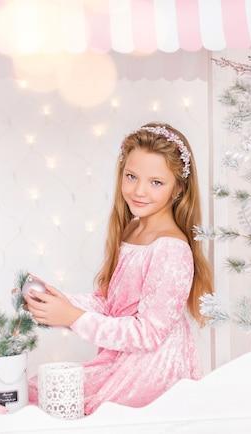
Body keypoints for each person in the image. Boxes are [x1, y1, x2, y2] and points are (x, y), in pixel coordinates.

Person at [23, 122, 214, 415]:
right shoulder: (131, 231)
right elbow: (111, 304)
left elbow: (148, 334)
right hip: (122, 360)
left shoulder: (171, 249)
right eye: (132, 176)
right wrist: (57, 301)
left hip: (152, 373)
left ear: (178, 188)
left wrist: (75, 318)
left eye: (156, 182)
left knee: (57, 402)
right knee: (39, 391)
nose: (139, 191)